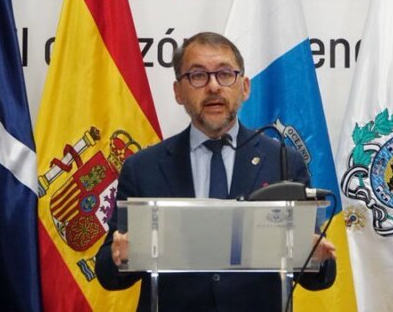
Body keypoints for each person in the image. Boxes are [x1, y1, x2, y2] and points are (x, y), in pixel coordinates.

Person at [96, 32, 336, 311]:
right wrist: (119, 257)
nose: (213, 86)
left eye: (225, 74)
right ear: (178, 91)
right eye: (198, 76)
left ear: (245, 87)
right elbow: (107, 273)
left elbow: (319, 278)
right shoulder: (143, 167)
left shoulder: (283, 160)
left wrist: (315, 259)